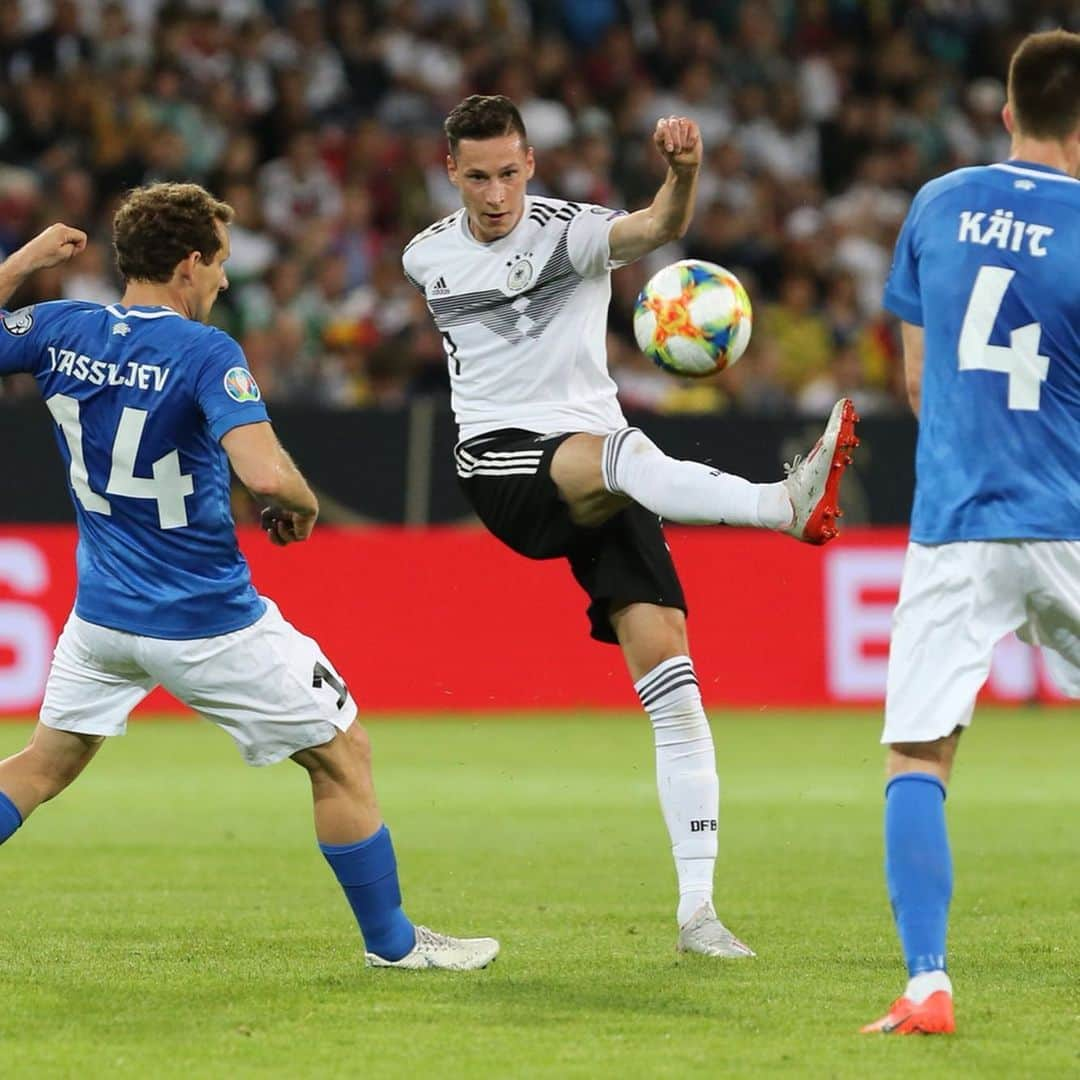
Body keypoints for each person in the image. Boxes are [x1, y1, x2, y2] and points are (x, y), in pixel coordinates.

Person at [402, 95, 859, 957]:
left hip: (600, 462)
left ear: (531, 163)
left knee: (674, 676)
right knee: (617, 452)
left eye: (508, 171)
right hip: (502, 462)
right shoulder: (427, 257)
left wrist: (682, 177)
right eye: (477, 176)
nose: (496, 193)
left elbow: (653, 228)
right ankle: (776, 506)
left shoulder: (570, 231)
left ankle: (699, 914)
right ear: (449, 170)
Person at [0, 183, 497, 972]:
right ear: (190, 264)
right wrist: (300, 505)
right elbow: (266, 477)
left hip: (99, 621)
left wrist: (24, 259)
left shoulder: (62, 328)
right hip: (205, 619)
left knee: (43, 765)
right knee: (342, 753)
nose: (227, 281)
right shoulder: (204, 352)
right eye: (222, 264)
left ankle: (395, 942)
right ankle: (395, 947)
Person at [863, 29, 1080, 1035]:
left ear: (1007, 112)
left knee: (919, 757)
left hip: (952, 522)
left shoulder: (938, 203)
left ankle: (927, 985)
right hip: (1067, 520)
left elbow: (915, 382)